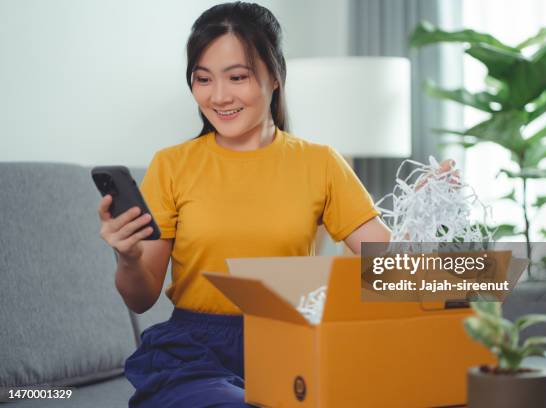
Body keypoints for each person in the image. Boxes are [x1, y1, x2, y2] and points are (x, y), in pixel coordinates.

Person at [97, 2, 452, 407]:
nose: (218, 96)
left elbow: (395, 272)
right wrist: (126, 257)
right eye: (203, 79)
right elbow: (141, 298)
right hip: (196, 354)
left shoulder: (320, 163)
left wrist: (423, 216)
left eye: (237, 77)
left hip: (292, 344)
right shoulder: (172, 165)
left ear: (276, 75)